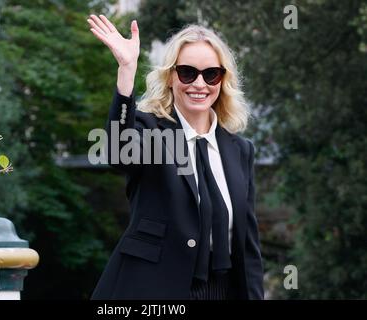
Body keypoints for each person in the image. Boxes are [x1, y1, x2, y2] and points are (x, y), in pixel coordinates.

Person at [87, 14, 264, 300]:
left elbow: (248, 246)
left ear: (222, 79)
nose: (199, 84)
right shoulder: (151, 130)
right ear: (171, 77)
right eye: (187, 72)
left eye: (211, 74)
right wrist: (127, 72)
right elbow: (119, 152)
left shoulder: (240, 150)